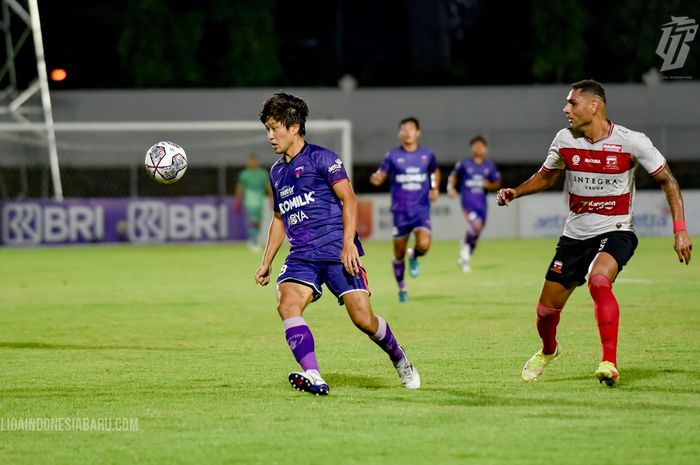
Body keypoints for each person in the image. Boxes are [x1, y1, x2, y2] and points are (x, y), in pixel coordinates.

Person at [497, 79, 692, 386]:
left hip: (616, 230)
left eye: (572, 103)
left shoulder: (631, 141)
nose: (565, 109)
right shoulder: (564, 139)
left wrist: (680, 230)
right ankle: (549, 350)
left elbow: (668, 181)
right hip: (575, 236)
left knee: (599, 281)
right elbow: (546, 177)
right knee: (546, 313)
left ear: (593, 106)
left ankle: (609, 362)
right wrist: (516, 192)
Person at [254, 92, 420, 395]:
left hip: (336, 251)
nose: (270, 135)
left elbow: (349, 199)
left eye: (274, 127)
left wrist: (348, 244)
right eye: (267, 128)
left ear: (293, 127)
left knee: (363, 319)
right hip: (302, 256)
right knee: (287, 304)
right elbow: (279, 217)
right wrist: (266, 261)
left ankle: (400, 358)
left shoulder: (323, 158)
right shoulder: (277, 172)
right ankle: (314, 375)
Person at [370, 117, 440, 302]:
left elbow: (434, 171)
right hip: (400, 212)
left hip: (420, 210)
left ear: (418, 132)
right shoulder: (393, 156)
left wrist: (434, 187)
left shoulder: (427, 154)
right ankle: (402, 289)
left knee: (424, 244)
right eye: (404, 129)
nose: (407, 132)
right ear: (400, 133)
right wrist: (376, 178)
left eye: (411, 129)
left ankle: (415, 254)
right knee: (398, 253)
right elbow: (381, 174)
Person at [447, 135, 501, 272]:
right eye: (476, 145)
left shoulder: (489, 166)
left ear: (485, 149)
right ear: (472, 148)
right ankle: (465, 254)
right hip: (467, 201)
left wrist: (488, 184)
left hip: (482, 203)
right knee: (475, 226)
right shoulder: (464, 164)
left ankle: (464, 257)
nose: (479, 148)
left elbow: (497, 183)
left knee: (476, 233)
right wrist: (450, 188)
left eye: (481, 146)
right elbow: (453, 177)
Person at [235, 154, 272, 251]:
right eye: (250, 161)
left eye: (254, 160)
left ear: (257, 161)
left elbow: (267, 187)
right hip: (249, 199)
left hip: (260, 199)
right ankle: (253, 241)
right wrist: (238, 201)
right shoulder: (244, 174)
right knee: (253, 220)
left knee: (258, 221)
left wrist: (272, 199)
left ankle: (254, 239)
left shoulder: (262, 173)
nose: (252, 162)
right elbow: (240, 188)